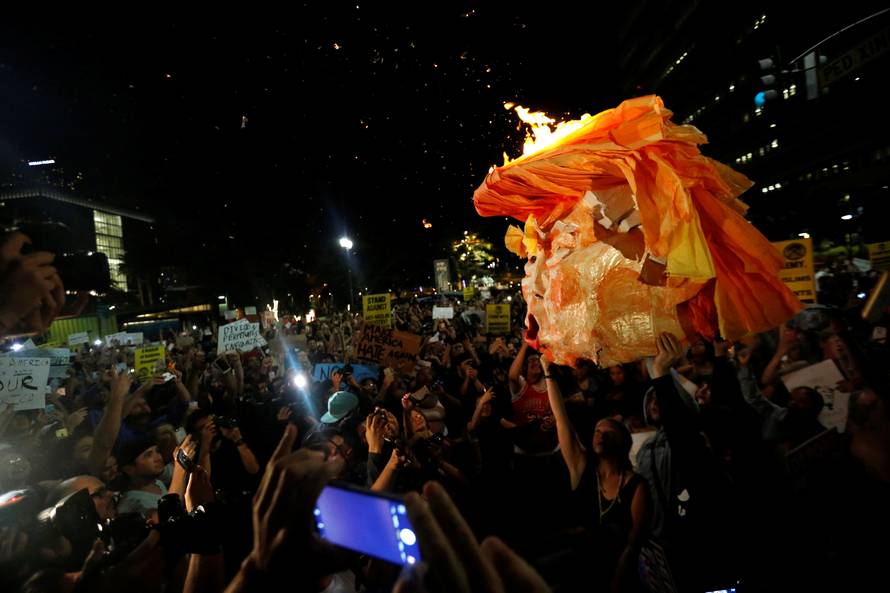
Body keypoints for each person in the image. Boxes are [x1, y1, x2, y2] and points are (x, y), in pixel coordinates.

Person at [541, 354, 649, 592]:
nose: (600, 434)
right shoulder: (582, 467)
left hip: (616, 572)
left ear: (622, 442)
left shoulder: (635, 486)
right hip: (577, 567)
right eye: (597, 430)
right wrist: (548, 375)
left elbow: (633, 544)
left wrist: (615, 583)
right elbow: (562, 420)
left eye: (608, 431)